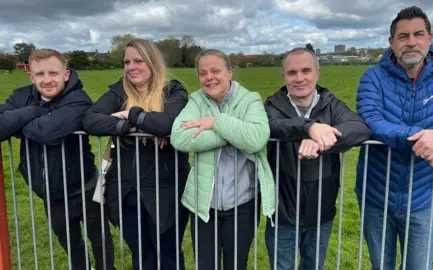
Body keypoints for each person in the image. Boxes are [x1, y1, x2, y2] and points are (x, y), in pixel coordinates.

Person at [356, 6, 433, 270]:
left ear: (430, 38)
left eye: (418, 34)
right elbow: (373, 122)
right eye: (403, 36)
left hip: (421, 198)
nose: (411, 42)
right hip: (376, 197)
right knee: (381, 266)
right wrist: (427, 140)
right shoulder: (373, 77)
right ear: (391, 42)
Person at [0, 49, 115, 269]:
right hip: (50, 192)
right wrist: (34, 112)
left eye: (53, 73)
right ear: (30, 76)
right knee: (70, 244)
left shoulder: (79, 99)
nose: (46, 80)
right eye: (40, 74)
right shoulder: (21, 96)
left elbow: (49, 133)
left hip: (85, 186)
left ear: (66, 74)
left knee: (100, 239)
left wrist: (19, 122)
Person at [82, 39, 190, 270]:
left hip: (165, 190)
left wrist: (129, 114)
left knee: (168, 255)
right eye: (127, 62)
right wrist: (130, 127)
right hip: (124, 190)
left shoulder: (173, 90)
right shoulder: (118, 90)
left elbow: (168, 123)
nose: (131, 67)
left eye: (138, 61)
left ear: (152, 63)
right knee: (141, 256)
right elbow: (91, 120)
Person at [264, 47, 371, 269]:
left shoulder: (331, 104)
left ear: (317, 73)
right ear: (283, 76)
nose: (300, 78)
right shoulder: (272, 106)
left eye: (306, 71)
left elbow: (359, 127)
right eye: (292, 73)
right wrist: (309, 128)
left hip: (321, 213)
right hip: (282, 214)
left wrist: (323, 140)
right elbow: (270, 126)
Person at [170, 49, 276, 270]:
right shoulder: (197, 100)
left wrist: (216, 122)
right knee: (205, 265)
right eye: (203, 73)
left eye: (216, 70)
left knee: (236, 265)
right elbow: (179, 137)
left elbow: (256, 139)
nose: (209, 77)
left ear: (230, 72)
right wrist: (233, 135)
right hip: (203, 205)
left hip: (242, 204)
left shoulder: (250, 99)